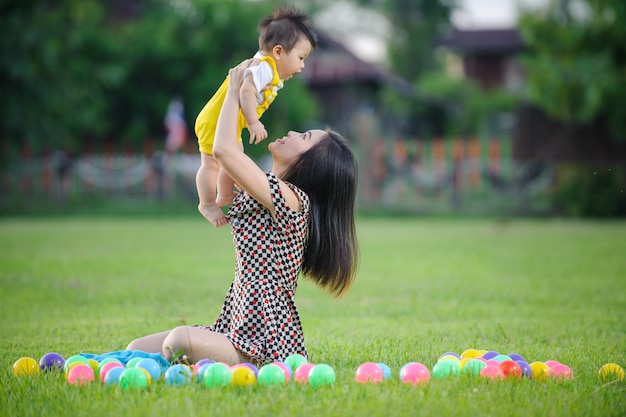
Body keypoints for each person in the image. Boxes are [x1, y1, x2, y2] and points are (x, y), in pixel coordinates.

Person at [126, 59, 359, 366]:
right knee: (136, 348)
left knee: (179, 342)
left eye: (303, 138)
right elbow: (226, 155)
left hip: (266, 342)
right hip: (237, 327)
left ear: (312, 167)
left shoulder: (291, 200)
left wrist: (235, 93)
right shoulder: (266, 187)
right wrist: (242, 98)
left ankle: (250, 363)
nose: (291, 132)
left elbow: (224, 150)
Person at [194, 5, 317, 227]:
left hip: (227, 122)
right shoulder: (265, 68)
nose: (302, 66)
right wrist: (253, 122)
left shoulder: (268, 67)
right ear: (278, 52)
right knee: (212, 164)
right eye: (301, 57)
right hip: (215, 120)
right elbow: (246, 90)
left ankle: (224, 195)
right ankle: (207, 203)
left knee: (232, 159)